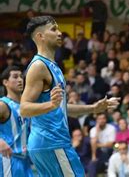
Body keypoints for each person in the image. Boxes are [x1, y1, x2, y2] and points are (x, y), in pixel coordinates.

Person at [20, 16, 120, 176]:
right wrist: (50, 105)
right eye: (53, 29)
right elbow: (24, 108)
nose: (59, 33)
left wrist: (93, 108)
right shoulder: (39, 66)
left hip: (50, 143)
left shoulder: (52, 66)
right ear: (40, 36)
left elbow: (61, 108)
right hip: (52, 142)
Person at [0, 66, 33, 176]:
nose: (20, 80)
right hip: (8, 158)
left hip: (26, 160)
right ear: (5, 82)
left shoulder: (26, 105)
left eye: (21, 77)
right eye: (15, 77)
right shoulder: (3, 104)